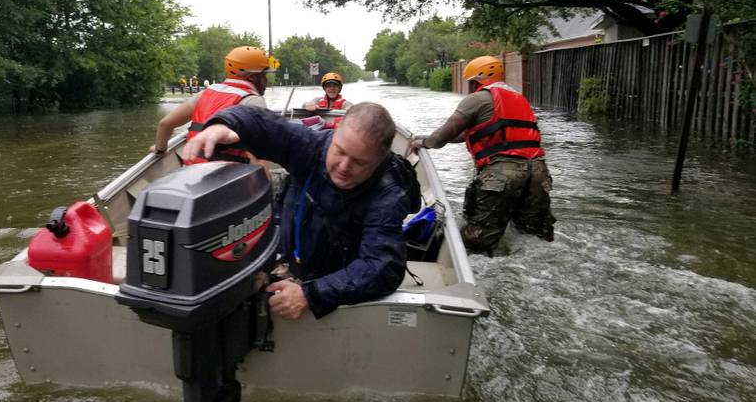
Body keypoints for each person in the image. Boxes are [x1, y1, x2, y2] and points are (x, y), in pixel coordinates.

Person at [183, 102, 420, 321]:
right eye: (340, 151)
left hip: (337, 281)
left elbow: (383, 267)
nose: (344, 166)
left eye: (359, 162)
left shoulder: (388, 194)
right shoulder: (312, 146)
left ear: (379, 160)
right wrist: (223, 124)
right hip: (291, 257)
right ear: (335, 134)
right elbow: (263, 123)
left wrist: (311, 294)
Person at [411, 55, 555, 255]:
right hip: (538, 172)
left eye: (470, 82)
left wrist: (422, 142)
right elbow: (470, 134)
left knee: (476, 242)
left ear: (477, 80)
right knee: (531, 236)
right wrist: (430, 138)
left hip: (503, 174)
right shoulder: (519, 99)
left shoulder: (476, 99)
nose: (470, 87)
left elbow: (441, 137)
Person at [151, 47, 274, 162]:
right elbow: (260, 157)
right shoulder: (253, 101)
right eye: (264, 75)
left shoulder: (204, 93)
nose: (266, 81)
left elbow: (165, 124)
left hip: (191, 173)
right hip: (229, 175)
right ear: (252, 77)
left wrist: (160, 150)